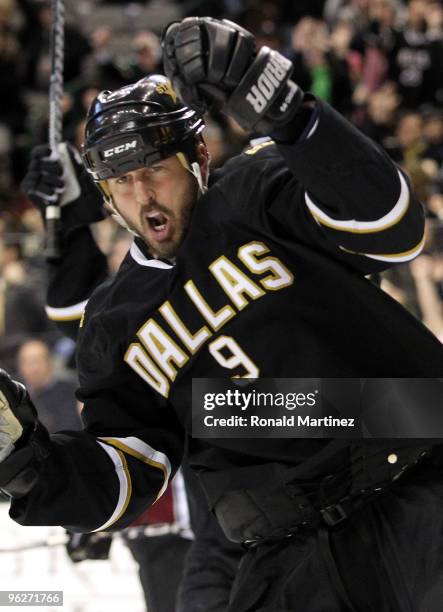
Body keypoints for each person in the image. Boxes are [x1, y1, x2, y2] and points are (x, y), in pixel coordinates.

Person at [1, 16, 443, 612]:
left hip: (419, 481)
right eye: (123, 181)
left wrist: (289, 112)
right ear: (105, 194)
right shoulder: (114, 323)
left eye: (156, 169)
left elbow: (392, 228)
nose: (144, 195)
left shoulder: (256, 187)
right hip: (288, 549)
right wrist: (29, 464)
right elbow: (125, 476)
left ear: (198, 157)